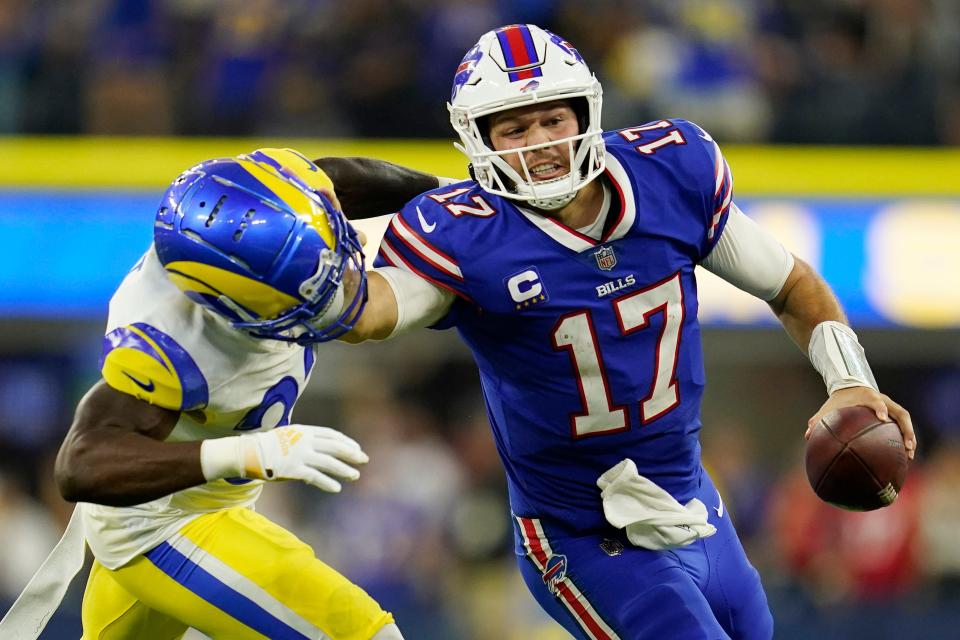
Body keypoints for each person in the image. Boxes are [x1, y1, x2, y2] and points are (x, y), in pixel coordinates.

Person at [344, 24, 917, 639]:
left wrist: (850, 381)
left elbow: (792, 286)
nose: (538, 143)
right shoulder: (461, 235)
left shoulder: (672, 173)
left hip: (691, 498)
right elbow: (372, 313)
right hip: (577, 530)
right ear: (479, 140)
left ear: (585, 114)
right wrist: (315, 266)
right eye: (514, 128)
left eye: (552, 120)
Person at [3, 148, 426, 639]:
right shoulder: (167, 339)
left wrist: (457, 186)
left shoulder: (270, 198)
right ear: (231, 307)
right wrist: (249, 452)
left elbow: (336, 180)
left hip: (203, 509)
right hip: (165, 525)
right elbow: (80, 465)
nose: (333, 276)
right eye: (302, 283)